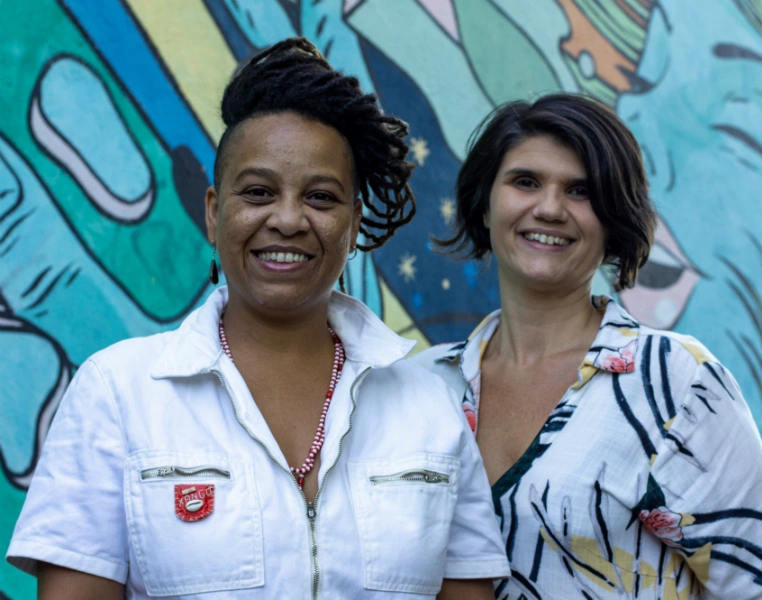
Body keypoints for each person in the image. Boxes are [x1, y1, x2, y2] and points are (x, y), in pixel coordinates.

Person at [6, 38, 509, 599]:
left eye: (321, 198)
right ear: (214, 212)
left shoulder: (428, 405)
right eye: (259, 192)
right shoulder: (117, 392)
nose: (288, 219)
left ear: (353, 224)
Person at [413, 94, 762, 599]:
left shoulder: (674, 382)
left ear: (613, 219)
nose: (549, 208)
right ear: (485, 205)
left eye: (581, 191)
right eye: (525, 182)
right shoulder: (423, 386)